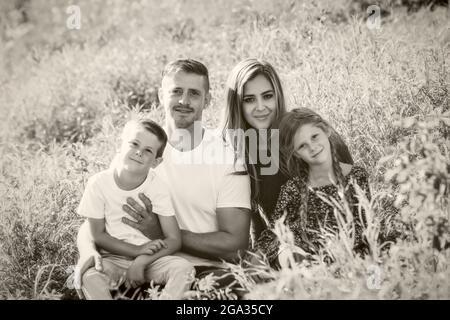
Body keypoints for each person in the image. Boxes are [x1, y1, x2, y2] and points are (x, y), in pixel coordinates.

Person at [75, 59, 252, 299]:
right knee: (86, 282)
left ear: (207, 100)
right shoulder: (142, 148)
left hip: (201, 270)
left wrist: (160, 232)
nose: (184, 101)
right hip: (133, 265)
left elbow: (235, 247)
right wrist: (87, 250)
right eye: (176, 91)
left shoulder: (226, 157)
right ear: (161, 95)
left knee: (221, 295)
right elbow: (98, 216)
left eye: (194, 93)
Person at [221, 58, 354, 245]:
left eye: (267, 96)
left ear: (278, 96)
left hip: (338, 238)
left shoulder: (307, 134)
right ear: (237, 105)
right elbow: (258, 225)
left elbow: (353, 188)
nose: (260, 107)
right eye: (249, 99)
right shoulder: (239, 152)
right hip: (285, 250)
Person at [76, 119, 194, 299]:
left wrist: (140, 261)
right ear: (120, 146)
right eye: (134, 144)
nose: (139, 152)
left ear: (156, 162)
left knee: (184, 269)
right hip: (113, 258)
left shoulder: (158, 187)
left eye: (148, 150)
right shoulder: (98, 184)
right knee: (90, 276)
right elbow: (98, 235)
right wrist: (135, 251)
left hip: (151, 260)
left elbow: (174, 239)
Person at [253, 108, 371, 268]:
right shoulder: (292, 189)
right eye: (302, 146)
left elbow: (369, 225)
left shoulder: (356, 177)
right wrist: (279, 254)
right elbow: (273, 232)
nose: (312, 147)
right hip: (312, 265)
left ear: (326, 130)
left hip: (354, 260)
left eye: (315, 137)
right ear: (295, 153)